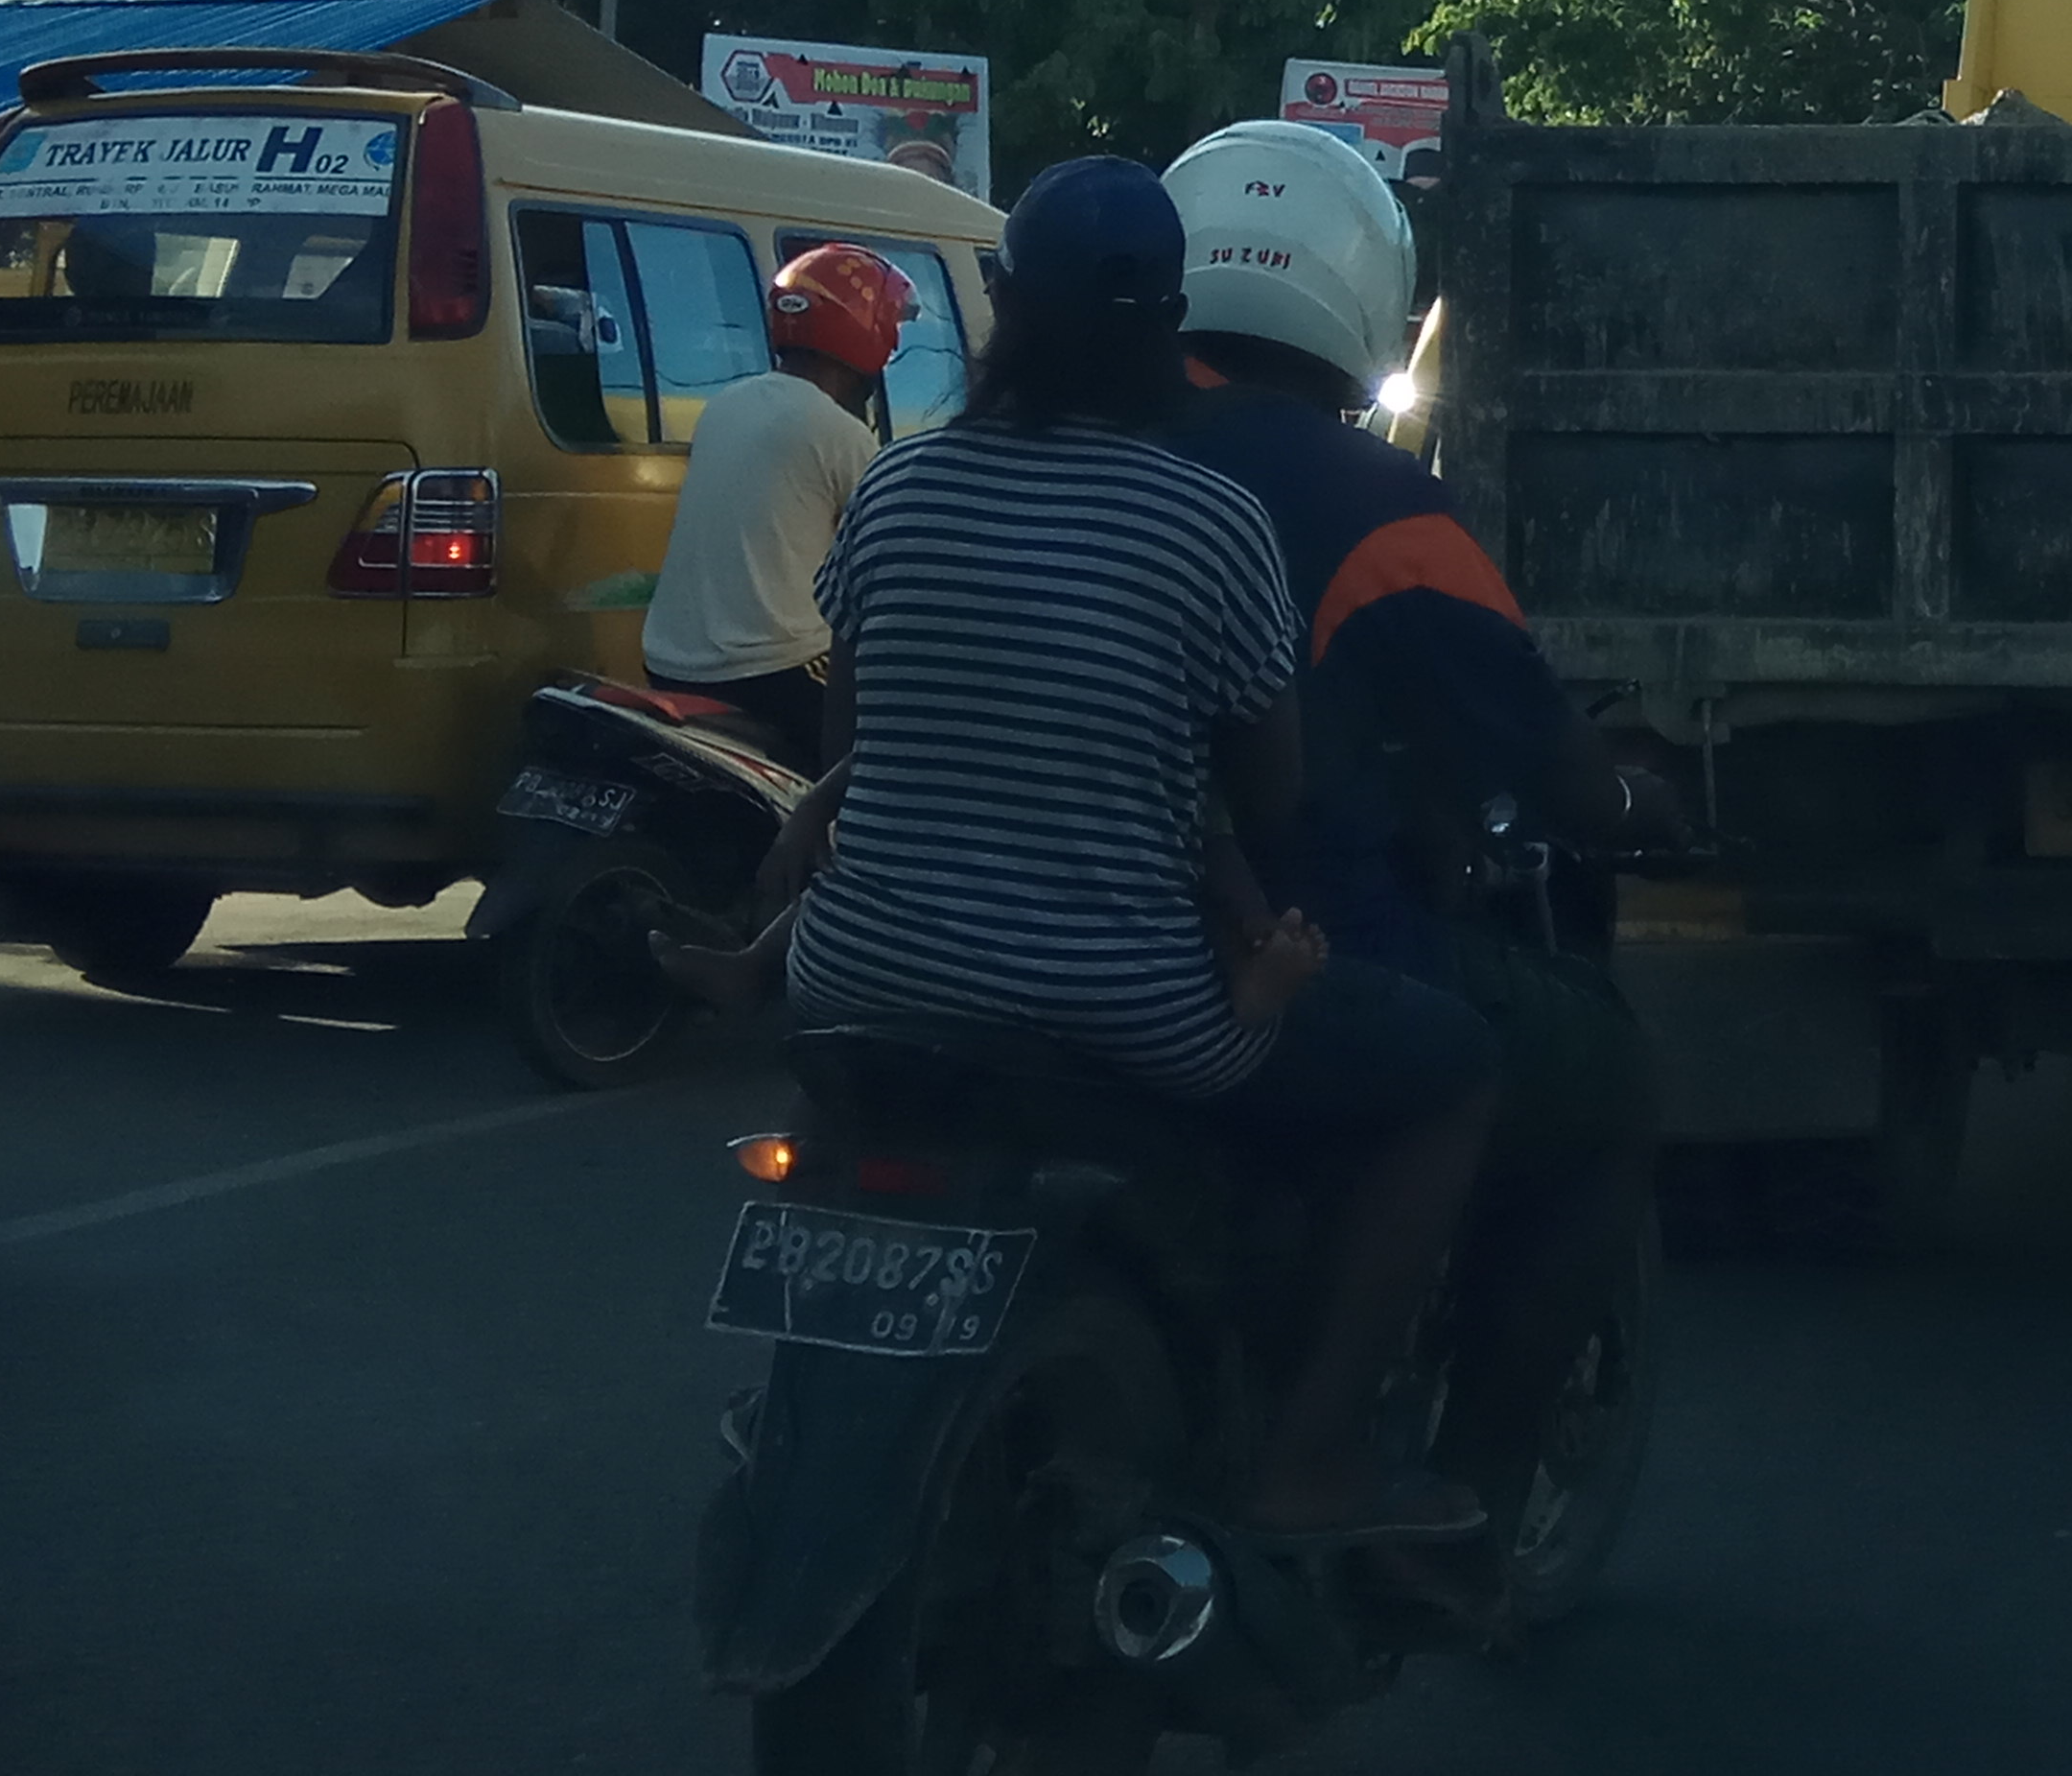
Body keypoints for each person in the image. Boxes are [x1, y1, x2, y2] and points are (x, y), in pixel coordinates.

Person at [767, 156, 1501, 1547]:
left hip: (860, 977)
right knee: (1452, 1072)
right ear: (1168, 323)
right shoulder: (1207, 521)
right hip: (1120, 1011)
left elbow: (850, 738)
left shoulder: (900, 491)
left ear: (999, 306)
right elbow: (1271, 793)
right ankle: (1315, 1461)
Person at [1157, 119, 1674, 1559]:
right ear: (1363, 303)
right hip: (1258, 953)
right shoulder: (1378, 509)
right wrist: (1641, 806)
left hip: (955, 944)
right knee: (1597, 1081)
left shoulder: (1021, 451)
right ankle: (1438, 1495)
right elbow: (1540, 762)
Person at [639, 245, 910, 770]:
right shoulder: (840, 433)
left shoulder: (723, 405)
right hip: (771, 672)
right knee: (886, 729)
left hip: (665, 663)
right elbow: (888, 555)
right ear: (871, 329)